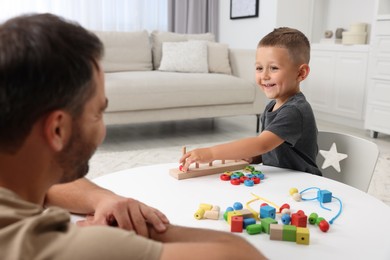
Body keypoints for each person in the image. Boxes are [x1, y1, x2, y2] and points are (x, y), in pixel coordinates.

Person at [0, 13, 265, 259]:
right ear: (57, 130)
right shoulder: (59, 247)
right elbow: (242, 255)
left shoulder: (15, 172)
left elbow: (41, 179)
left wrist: (106, 199)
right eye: (97, 113)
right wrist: (141, 229)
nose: (102, 127)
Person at [181, 27, 322, 176]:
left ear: (301, 73)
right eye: (259, 68)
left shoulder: (294, 110)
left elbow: (262, 144)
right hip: (280, 178)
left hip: (302, 183)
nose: (264, 75)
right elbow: (272, 149)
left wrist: (210, 152)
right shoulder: (272, 106)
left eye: (274, 68)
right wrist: (254, 157)